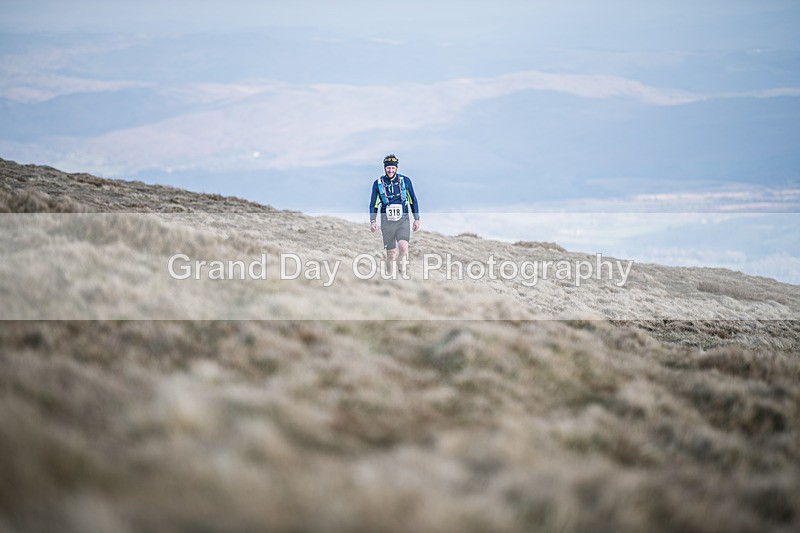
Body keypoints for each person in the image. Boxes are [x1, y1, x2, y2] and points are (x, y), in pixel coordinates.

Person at [369, 154, 421, 276]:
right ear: (384, 168)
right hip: (387, 221)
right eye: (388, 168)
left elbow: (413, 199)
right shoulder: (378, 184)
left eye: (393, 168)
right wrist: (373, 221)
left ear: (396, 168)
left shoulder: (405, 181)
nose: (390, 170)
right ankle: (389, 275)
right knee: (391, 253)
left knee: (403, 248)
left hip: (403, 219)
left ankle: (402, 274)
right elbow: (373, 204)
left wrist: (416, 219)